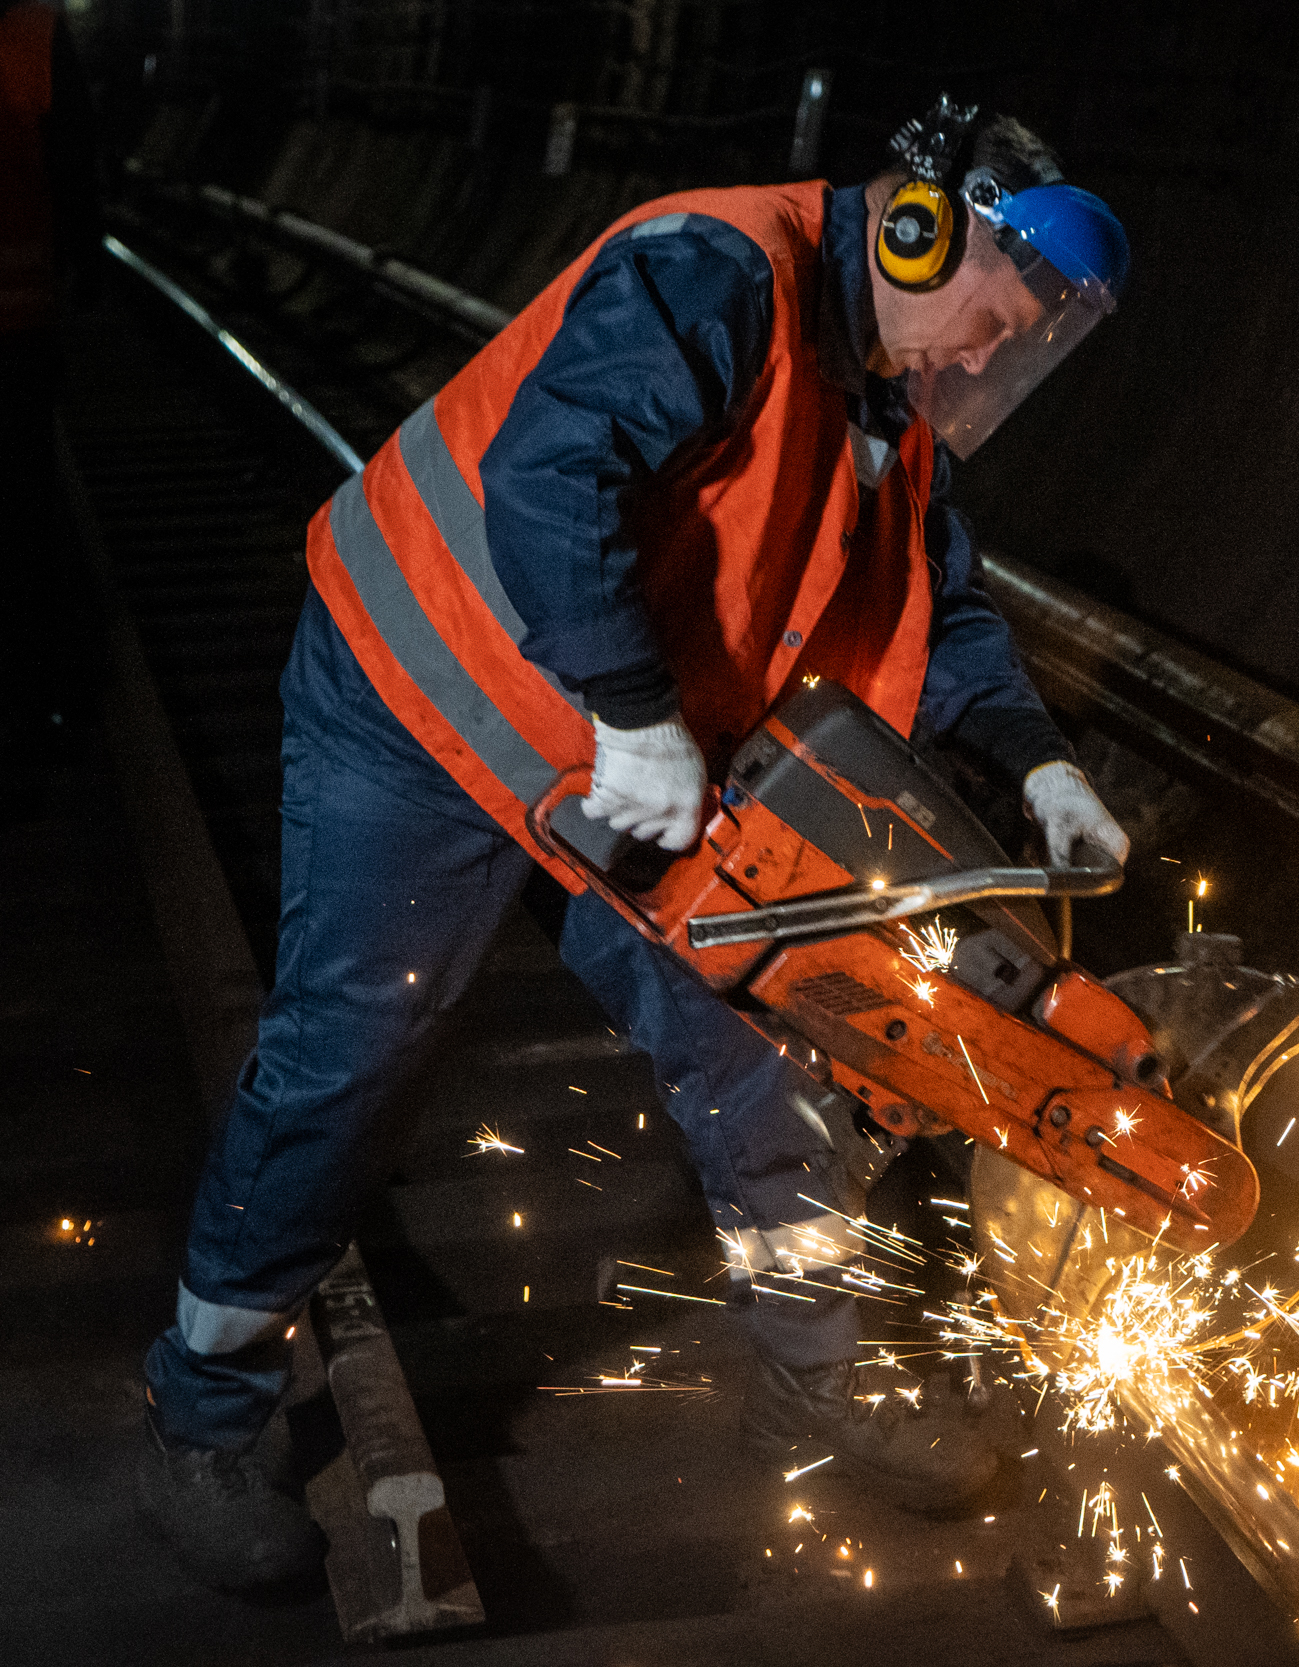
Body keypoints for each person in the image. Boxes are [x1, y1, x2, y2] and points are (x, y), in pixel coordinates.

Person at [137, 97, 1133, 1591]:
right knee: (353, 1046)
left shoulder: (888, 399)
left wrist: (1042, 761)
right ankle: (200, 1413)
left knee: (774, 1042)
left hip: (634, 736)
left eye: (1018, 347)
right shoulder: (717, 266)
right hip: (429, 689)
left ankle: (819, 1389)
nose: (986, 360)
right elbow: (552, 472)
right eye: (990, 320)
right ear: (921, 231)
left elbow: (946, 602)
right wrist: (632, 710)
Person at [0, 0, 100, 756]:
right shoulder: (37, 34)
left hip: (20, 332)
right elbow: (75, 166)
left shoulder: (36, 32)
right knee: (26, 515)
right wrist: (86, 278)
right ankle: (39, 696)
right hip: (20, 335)